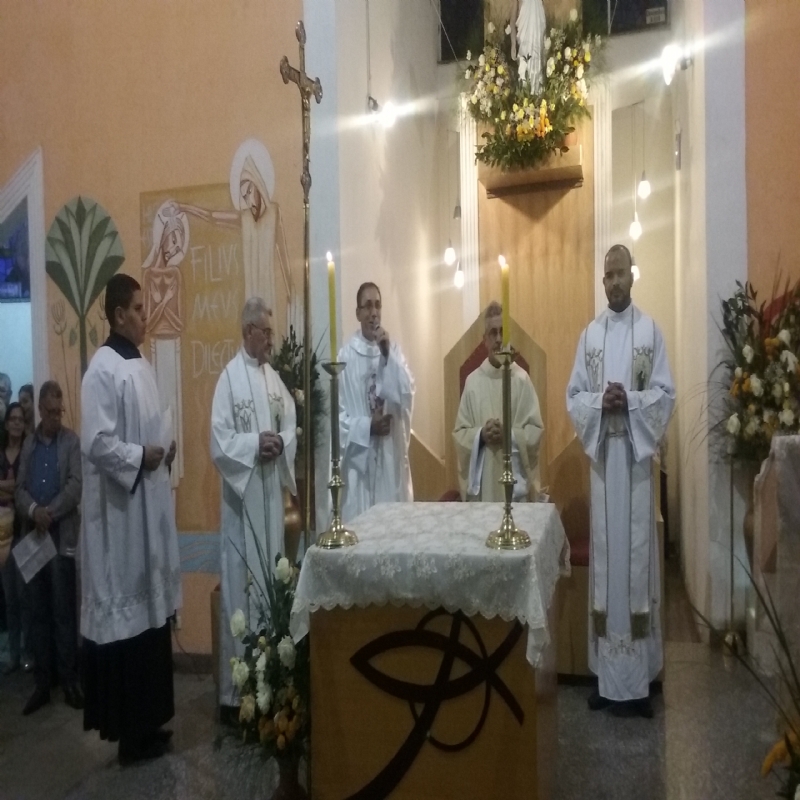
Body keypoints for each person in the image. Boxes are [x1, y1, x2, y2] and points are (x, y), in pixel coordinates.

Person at [566, 244, 675, 718]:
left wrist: (628, 401)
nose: (613, 282)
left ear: (633, 275)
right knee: (608, 565)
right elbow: (574, 396)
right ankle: (607, 682)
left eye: (620, 273)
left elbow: (666, 395)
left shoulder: (650, 331)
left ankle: (640, 682)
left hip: (634, 463)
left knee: (636, 563)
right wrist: (600, 403)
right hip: (603, 465)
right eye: (607, 275)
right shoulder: (590, 336)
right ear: (603, 280)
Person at [80, 273, 181, 763]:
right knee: (130, 625)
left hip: (146, 513)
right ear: (119, 315)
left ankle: (149, 723)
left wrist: (164, 449)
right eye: (139, 309)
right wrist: (142, 456)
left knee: (151, 624)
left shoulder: (140, 363)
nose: (146, 316)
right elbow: (97, 443)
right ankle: (129, 736)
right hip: (121, 524)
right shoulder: (101, 369)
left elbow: (150, 426)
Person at [211, 297, 297, 711]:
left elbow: (291, 421)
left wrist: (280, 441)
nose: (271, 340)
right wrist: (253, 445)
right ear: (248, 332)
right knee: (242, 591)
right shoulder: (227, 381)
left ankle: (272, 685)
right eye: (266, 332)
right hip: (242, 509)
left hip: (270, 506)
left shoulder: (273, 379)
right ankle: (240, 696)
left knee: (271, 585)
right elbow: (219, 442)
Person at [15, 383, 83, 714]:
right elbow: (19, 489)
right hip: (34, 538)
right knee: (37, 610)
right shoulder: (29, 444)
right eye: (51, 412)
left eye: (60, 411)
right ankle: (43, 683)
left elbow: (75, 486)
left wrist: (49, 513)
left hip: (59, 536)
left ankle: (69, 680)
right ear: (40, 410)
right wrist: (33, 512)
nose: (57, 417)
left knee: (62, 611)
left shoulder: (71, 441)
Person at [337, 283, 414, 522]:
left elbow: (406, 395)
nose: (374, 313)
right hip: (359, 469)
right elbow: (337, 419)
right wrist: (368, 426)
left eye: (378, 306)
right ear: (358, 313)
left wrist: (387, 356)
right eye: (368, 306)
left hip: (389, 460)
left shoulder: (393, 352)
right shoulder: (345, 358)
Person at [453, 301, 544, 502]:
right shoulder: (473, 383)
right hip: (484, 487)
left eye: (503, 332)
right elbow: (460, 435)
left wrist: (508, 435)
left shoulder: (521, 380)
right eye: (492, 333)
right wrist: (481, 435)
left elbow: (535, 431)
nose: (498, 339)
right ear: (484, 340)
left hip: (515, 489)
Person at [1, 402, 32, 674]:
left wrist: (8, 488)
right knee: (9, 596)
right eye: (12, 419)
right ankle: (12, 655)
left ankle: (27, 653)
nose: (16, 423)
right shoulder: (1, 453)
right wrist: (14, 489)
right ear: (6, 423)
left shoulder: (28, 453)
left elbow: (25, 487)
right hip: (2, 535)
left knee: (25, 597)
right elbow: (17, 488)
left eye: (20, 419)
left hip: (24, 531)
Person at [511, 0, 547, 90]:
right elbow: (512, 21)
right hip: (524, 45)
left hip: (537, 45)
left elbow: (543, 22)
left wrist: (546, 46)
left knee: (538, 74)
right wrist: (513, 44)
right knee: (524, 74)